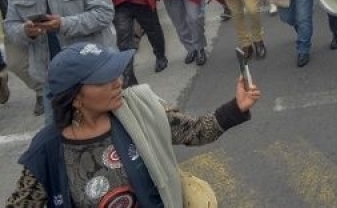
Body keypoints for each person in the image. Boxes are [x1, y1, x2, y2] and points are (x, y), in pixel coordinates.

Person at [5, 42, 261, 206]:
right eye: (103, 79)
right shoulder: (47, 150)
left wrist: (236, 107)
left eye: (116, 73)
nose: (117, 82)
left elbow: (193, 131)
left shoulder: (139, 108)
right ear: (74, 97)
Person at [4, 0, 116, 121]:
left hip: (92, 65)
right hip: (51, 73)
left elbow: (103, 14)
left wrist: (63, 24)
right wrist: (26, 31)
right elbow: (11, 25)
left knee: (108, 120)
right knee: (57, 127)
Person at [0, 0, 45, 114]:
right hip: (10, 23)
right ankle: (42, 90)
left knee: (46, 58)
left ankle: (54, 91)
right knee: (16, 63)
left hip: (36, 19)